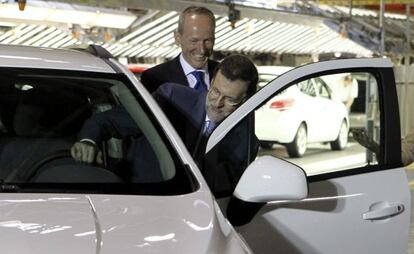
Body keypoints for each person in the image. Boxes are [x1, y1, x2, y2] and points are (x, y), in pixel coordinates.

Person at [71, 55, 259, 195]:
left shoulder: (246, 143)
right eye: (215, 91)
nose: (217, 103)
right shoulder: (172, 98)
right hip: (143, 196)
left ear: (246, 100)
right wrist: (88, 141)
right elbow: (109, 120)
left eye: (230, 100)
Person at [140, 6, 218, 93]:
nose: (202, 50)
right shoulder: (154, 79)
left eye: (208, 41)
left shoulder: (227, 74)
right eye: (194, 41)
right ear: (178, 38)